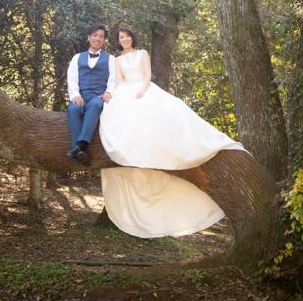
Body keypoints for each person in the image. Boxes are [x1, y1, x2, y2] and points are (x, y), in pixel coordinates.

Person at [99, 27, 246, 239]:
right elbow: (120, 82)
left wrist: (141, 90)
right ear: (118, 41)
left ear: (133, 37)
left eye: (127, 36)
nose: (125, 39)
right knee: (122, 119)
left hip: (145, 89)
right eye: (121, 37)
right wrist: (122, 97)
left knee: (169, 112)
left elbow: (147, 75)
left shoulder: (142, 54)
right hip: (126, 93)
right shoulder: (118, 60)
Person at [67, 24, 116, 166]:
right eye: (95, 35)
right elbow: (72, 77)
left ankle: (80, 145)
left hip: (98, 96)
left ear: (104, 40)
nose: (98, 38)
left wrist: (108, 92)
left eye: (101, 36)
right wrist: (75, 95)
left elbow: (113, 79)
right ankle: (80, 151)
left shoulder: (111, 59)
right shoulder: (77, 57)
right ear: (89, 38)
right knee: (73, 109)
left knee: (95, 104)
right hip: (81, 96)